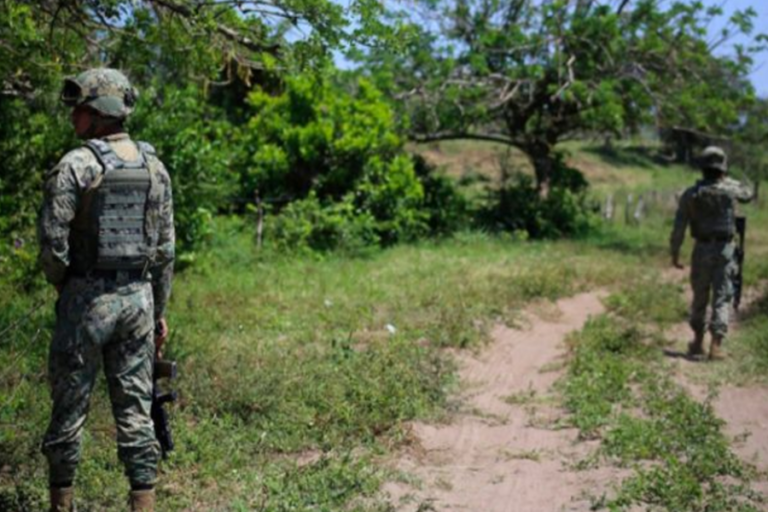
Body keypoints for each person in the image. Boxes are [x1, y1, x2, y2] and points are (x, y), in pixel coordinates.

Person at [38, 68, 175, 512]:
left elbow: (52, 242)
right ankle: (143, 503)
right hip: (138, 299)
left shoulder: (77, 165)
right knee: (136, 409)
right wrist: (158, 310)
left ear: (100, 113)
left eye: (81, 108)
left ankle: (61, 503)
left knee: (69, 407)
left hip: (86, 301)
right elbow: (165, 250)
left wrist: (66, 284)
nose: (74, 117)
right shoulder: (155, 167)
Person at [670, 146, 753, 361]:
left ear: (702, 168)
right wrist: (731, 179)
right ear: (722, 169)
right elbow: (748, 193)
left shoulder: (690, 194)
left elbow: (678, 228)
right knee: (722, 295)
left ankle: (698, 342)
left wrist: (675, 254)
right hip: (725, 249)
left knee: (700, 294)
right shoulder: (731, 189)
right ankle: (716, 346)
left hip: (701, 248)